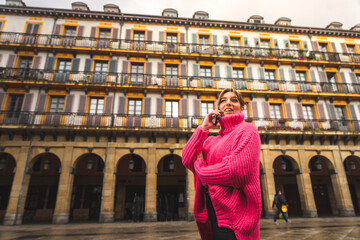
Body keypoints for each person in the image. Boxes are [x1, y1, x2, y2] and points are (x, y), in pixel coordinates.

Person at [182, 88, 261, 240]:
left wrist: (202, 169)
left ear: (242, 108)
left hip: (235, 222)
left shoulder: (247, 130)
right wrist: (204, 128)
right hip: (212, 219)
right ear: (219, 109)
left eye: (234, 100)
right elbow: (187, 159)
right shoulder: (211, 141)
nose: (228, 103)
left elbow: (236, 172)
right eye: (223, 101)